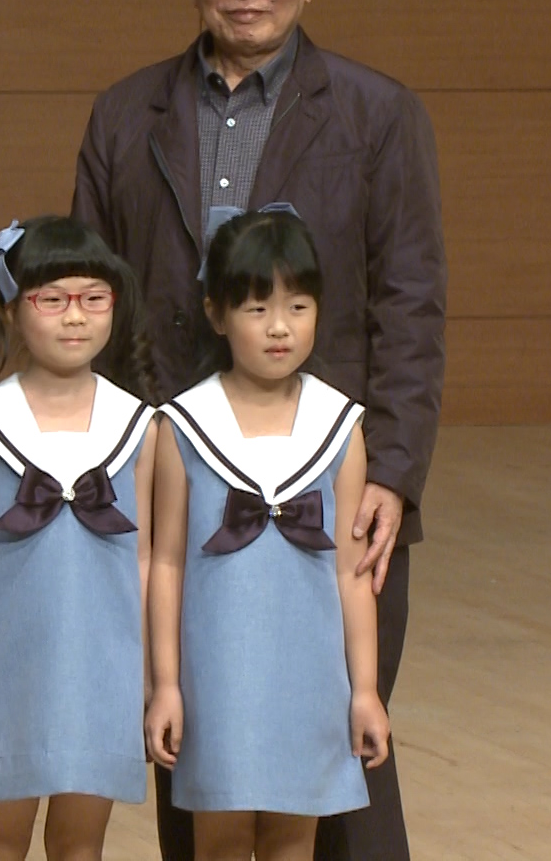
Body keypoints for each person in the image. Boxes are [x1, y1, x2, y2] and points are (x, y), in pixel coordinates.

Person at [71, 0, 445, 861]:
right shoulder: (125, 115)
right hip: (179, 486)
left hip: (331, 487)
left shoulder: (377, 114)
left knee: (341, 745)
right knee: (195, 746)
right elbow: (92, 304)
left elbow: (411, 305)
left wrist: (394, 473)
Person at [145, 208, 389, 861]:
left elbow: (352, 574)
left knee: (292, 840)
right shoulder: (184, 426)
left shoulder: (339, 426)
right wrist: (165, 684)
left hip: (309, 680)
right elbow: (166, 564)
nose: (280, 327)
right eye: (257, 309)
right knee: (219, 840)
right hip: (218, 680)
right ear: (217, 313)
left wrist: (364, 690)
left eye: (298, 306)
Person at [0, 216, 157, 861]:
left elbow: (145, 560)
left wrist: (151, 675)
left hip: (105, 668)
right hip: (6, 667)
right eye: (52, 299)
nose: (75, 316)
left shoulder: (138, 426)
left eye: (93, 298)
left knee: (80, 845)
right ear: (11, 307)